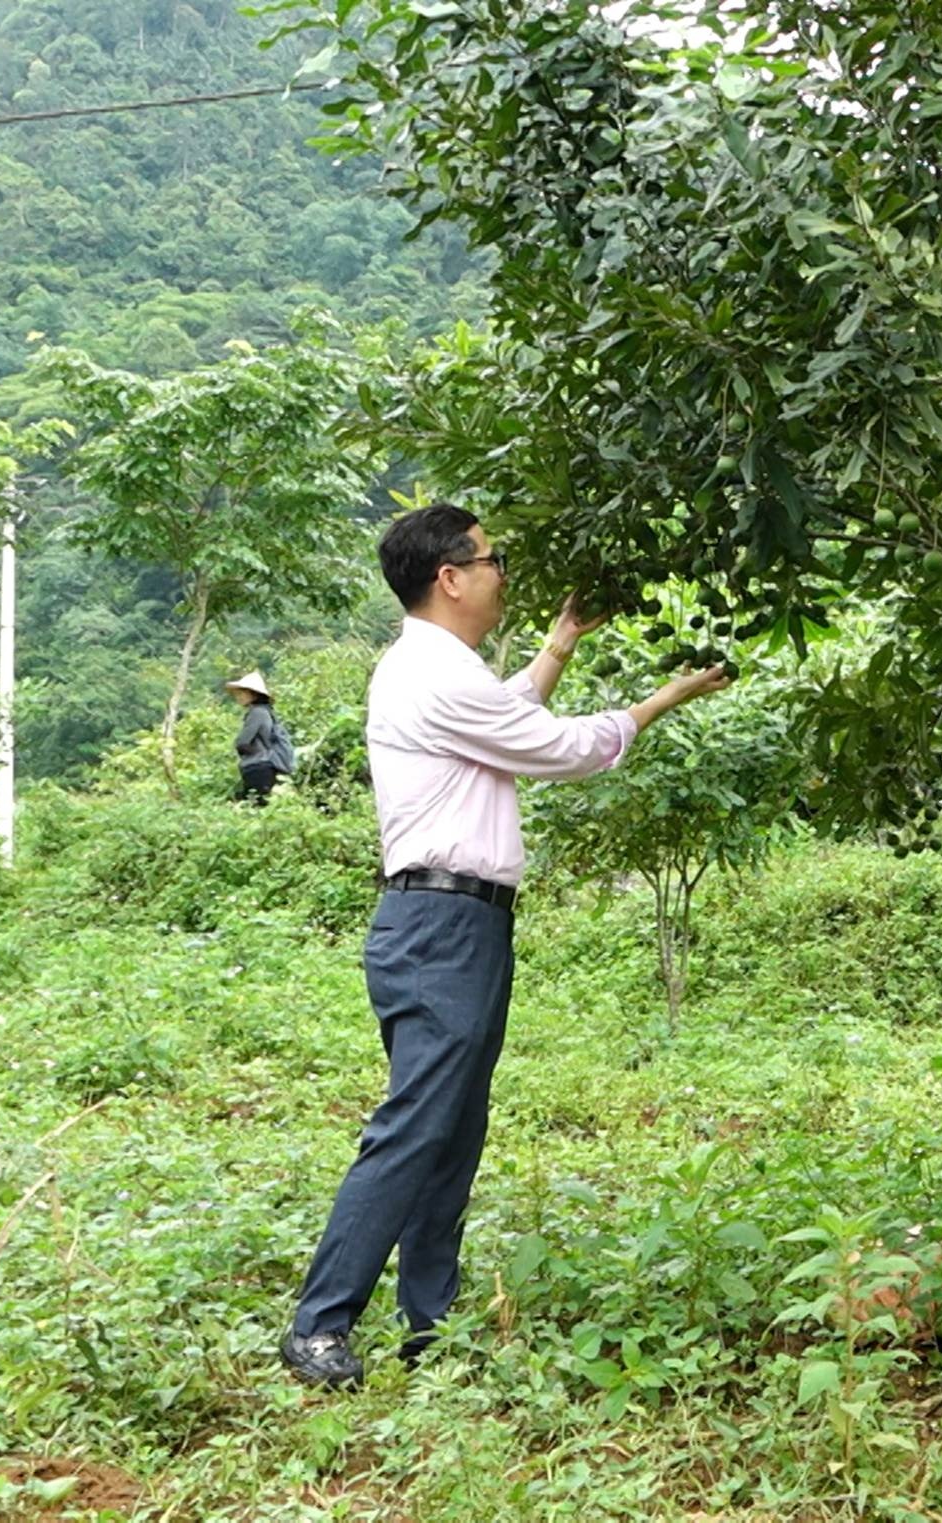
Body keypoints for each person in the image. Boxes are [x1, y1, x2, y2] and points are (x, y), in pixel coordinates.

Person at [280, 505, 729, 1389]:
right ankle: (320, 1323)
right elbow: (552, 747)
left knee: (452, 1128)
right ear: (449, 576)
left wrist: (561, 641)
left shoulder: (446, 671)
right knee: (417, 1125)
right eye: (493, 560)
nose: (502, 574)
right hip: (438, 926)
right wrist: (660, 700)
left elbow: (507, 713)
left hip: (465, 923)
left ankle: (430, 1326)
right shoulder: (429, 672)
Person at [225, 671, 298, 801]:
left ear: (253, 694)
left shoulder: (257, 713)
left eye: (242, 693)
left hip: (258, 767)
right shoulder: (266, 712)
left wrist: (252, 752)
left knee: (254, 806)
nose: (238, 697)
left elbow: (242, 742)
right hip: (266, 767)